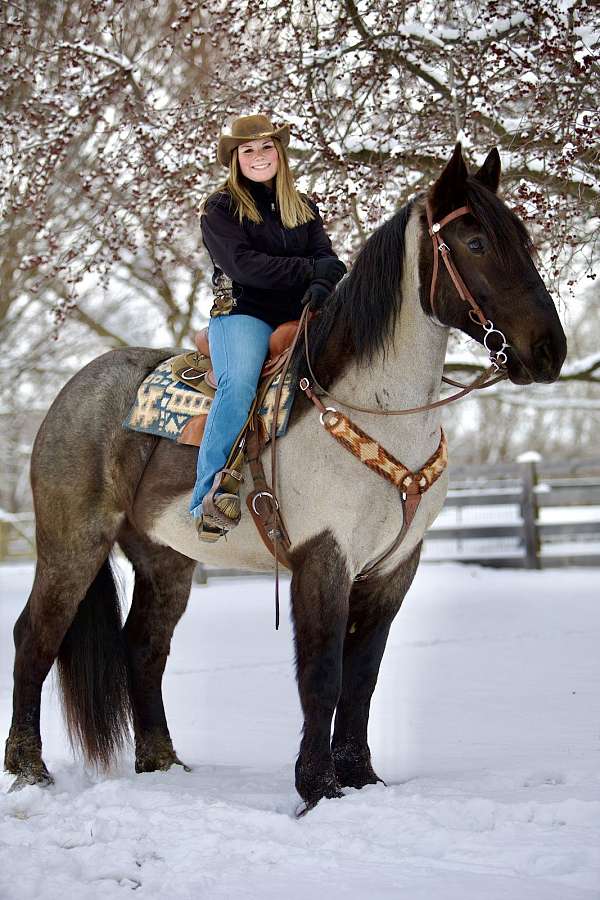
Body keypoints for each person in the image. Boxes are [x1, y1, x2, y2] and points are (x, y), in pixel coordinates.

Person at [189, 113, 346, 540]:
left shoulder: (304, 206)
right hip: (245, 313)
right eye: (248, 150)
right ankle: (208, 496)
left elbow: (329, 260)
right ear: (235, 159)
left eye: (266, 147)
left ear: (279, 152)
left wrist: (320, 281)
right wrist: (313, 269)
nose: (258, 156)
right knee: (238, 384)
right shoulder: (219, 209)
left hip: (300, 314)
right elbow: (245, 267)